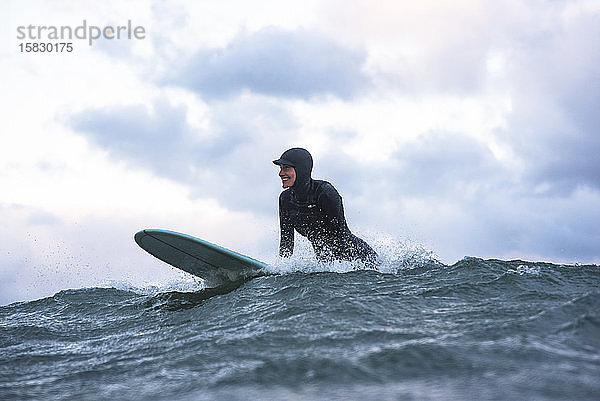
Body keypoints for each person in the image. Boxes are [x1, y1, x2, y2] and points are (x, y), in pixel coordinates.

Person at [273, 147, 378, 265]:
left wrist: (332, 268)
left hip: (359, 258)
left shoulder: (325, 192)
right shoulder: (286, 199)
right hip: (328, 264)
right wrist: (281, 269)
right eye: (281, 168)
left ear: (301, 169)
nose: (281, 173)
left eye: (286, 168)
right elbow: (286, 240)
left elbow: (339, 235)